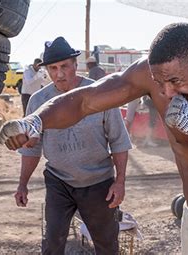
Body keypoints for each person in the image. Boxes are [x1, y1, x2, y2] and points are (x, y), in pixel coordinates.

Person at [0, 23, 188, 254]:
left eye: (175, 82)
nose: (167, 93)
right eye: (160, 83)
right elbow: (86, 101)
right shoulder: (155, 77)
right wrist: (35, 121)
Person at [12, 36, 132, 254]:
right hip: (59, 181)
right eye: (53, 68)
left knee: (106, 244)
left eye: (65, 66)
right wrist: (22, 184)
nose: (59, 73)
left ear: (76, 65)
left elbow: (118, 141)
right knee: (53, 241)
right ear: (46, 70)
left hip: (98, 183)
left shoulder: (99, 94)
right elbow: (32, 147)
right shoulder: (38, 101)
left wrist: (120, 181)